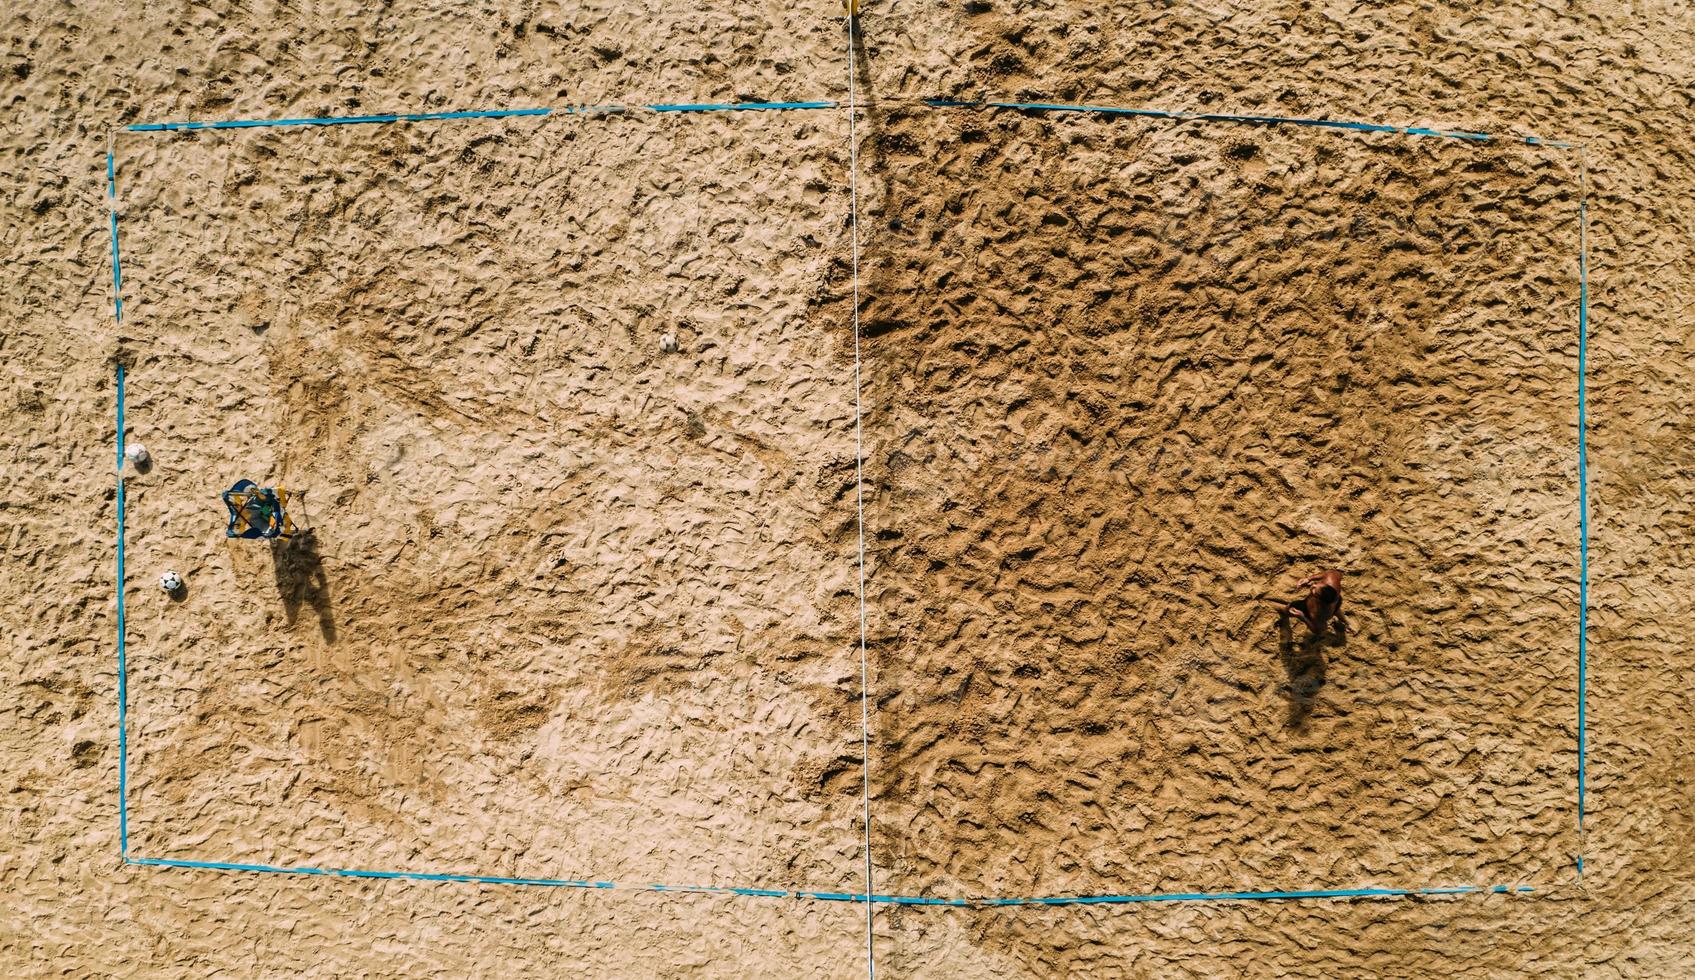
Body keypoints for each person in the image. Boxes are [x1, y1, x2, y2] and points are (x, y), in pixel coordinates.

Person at [1283, 568, 1346, 638]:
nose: (1313, 586)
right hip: (1337, 603)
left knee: (1287, 610)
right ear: (1327, 585)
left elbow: (1319, 631)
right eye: (1318, 584)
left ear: (1318, 599)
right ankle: (1345, 620)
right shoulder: (1332, 581)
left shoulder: (1319, 613)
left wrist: (1302, 617)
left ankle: (1284, 618)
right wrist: (1309, 579)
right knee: (1336, 609)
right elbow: (1333, 573)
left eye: (1314, 590)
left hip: (1311, 609)